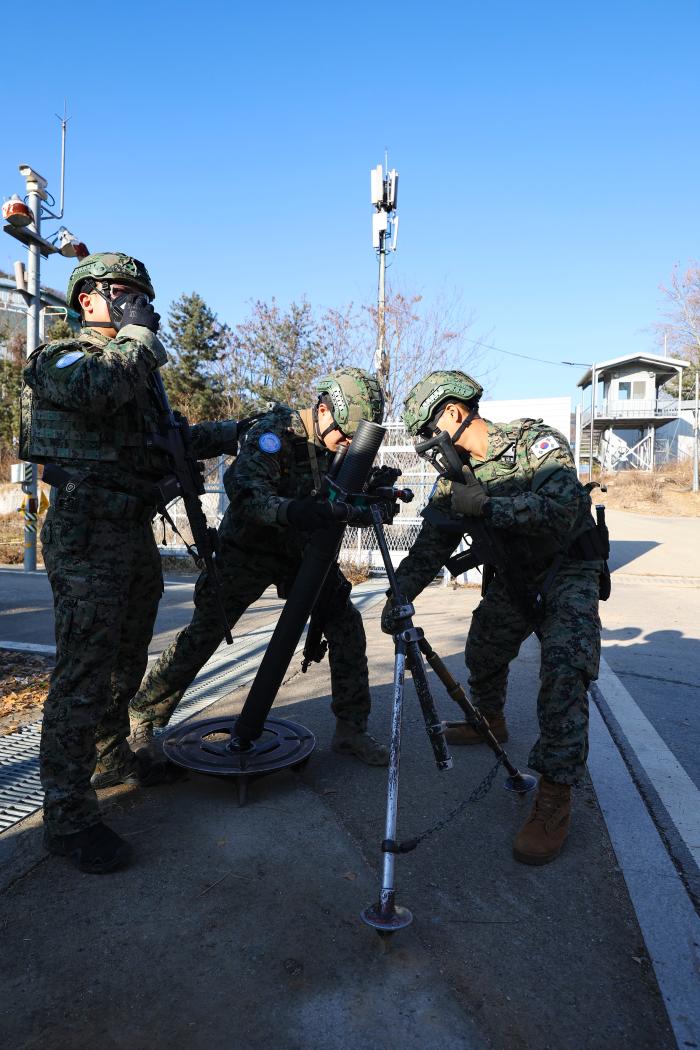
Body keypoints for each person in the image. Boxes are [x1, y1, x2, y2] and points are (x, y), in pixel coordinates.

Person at [22, 253, 239, 874]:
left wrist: (243, 430)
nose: (138, 306)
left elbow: (170, 439)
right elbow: (96, 388)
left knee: (127, 657)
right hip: (88, 529)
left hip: (131, 528)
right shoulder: (61, 357)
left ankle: (113, 756)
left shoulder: (137, 372)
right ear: (88, 299)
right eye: (124, 294)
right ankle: (67, 814)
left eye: (141, 297)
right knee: (84, 670)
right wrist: (142, 336)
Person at [383, 370, 604, 865]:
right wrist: (398, 596)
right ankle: (491, 719)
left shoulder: (536, 443)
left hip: (568, 568)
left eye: (427, 433)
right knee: (483, 648)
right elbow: (430, 548)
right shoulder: (454, 482)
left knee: (565, 670)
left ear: (453, 415)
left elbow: (562, 508)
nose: (428, 447)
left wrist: (486, 506)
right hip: (515, 575)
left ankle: (554, 794)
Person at [128, 367, 391, 767]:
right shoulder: (274, 433)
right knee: (207, 631)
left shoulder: (341, 447)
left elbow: (344, 505)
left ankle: (351, 730)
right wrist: (295, 510)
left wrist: (372, 503)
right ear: (322, 410)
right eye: (344, 433)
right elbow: (249, 496)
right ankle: (144, 716)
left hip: (303, 553)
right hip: (249, 549)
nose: (349, 444)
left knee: (345, 624)